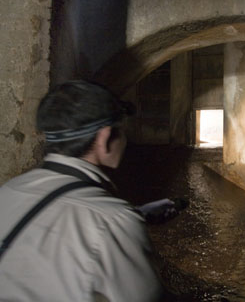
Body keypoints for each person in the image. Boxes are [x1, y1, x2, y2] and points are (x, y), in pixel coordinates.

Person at [0, 80, 163, 301]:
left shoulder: (8, 191)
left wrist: (136, 214)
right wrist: (128, 223)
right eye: (122, 131)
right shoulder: (113, 220)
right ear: (104, 138)